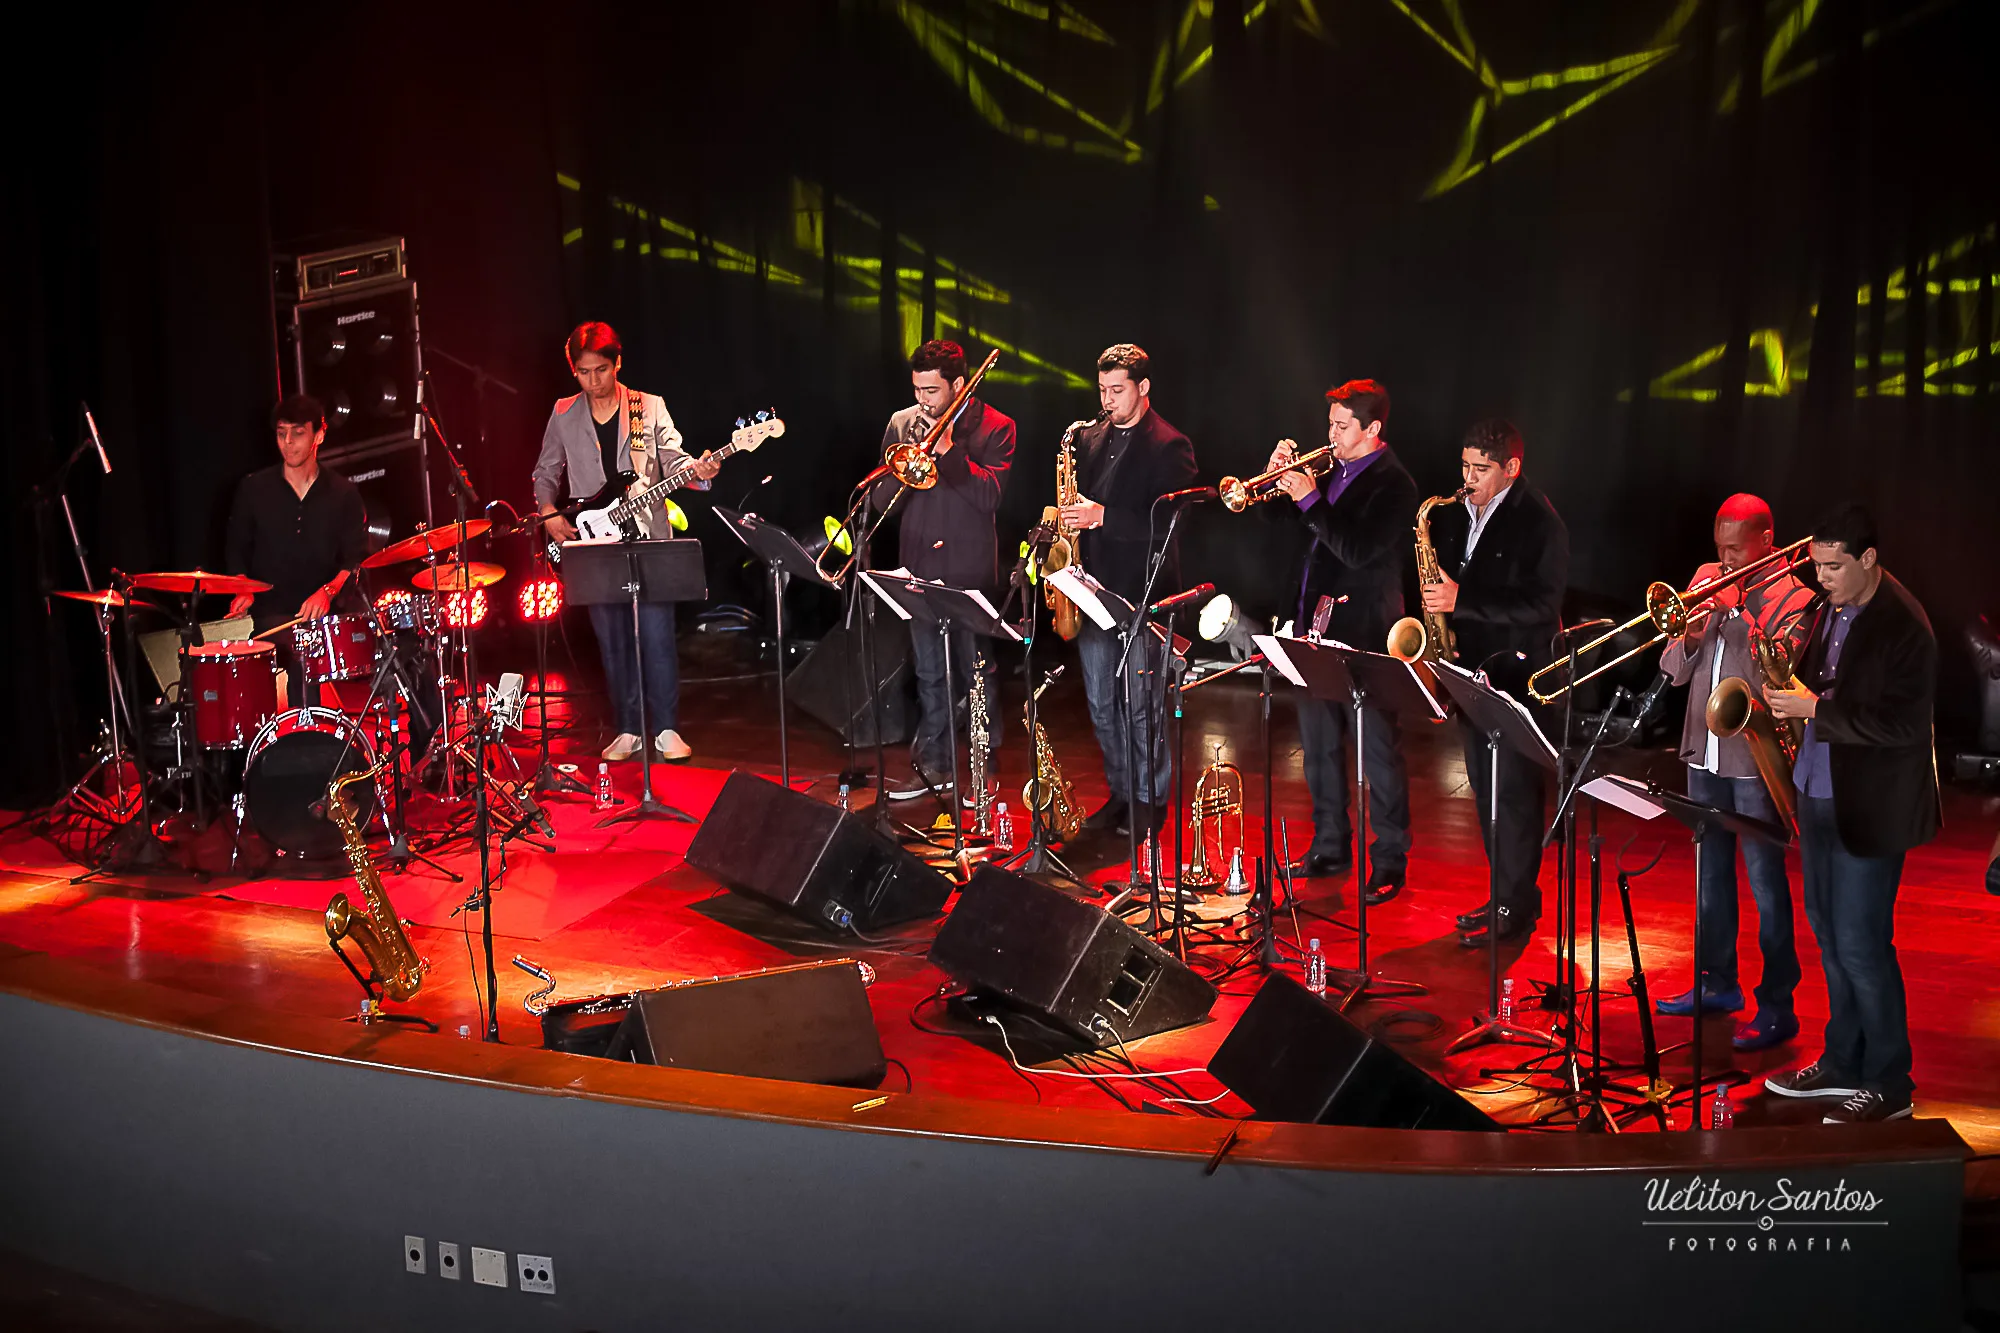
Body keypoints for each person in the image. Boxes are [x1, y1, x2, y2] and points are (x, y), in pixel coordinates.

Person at [1764, 504, 1939, 1124]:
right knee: (1830, 937)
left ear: (1868, 559)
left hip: (1870, 803)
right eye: (1816, 566)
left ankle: (1891, 1081)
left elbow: (1904, 727)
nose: (1821, 579)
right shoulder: (1830, 605)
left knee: (1863, 945)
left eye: (1834, 567)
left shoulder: (1904, 626)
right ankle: (1843, 1061)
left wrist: (1815, 710)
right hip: (1817, 787)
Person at [1653, 494, 1817, 1051]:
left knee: (1767, 886)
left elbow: (1782, 672)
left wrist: (1739, 607)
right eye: (1719, 547)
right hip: (1705, 752)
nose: (1723, 558)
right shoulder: (1706, 582)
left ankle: (1778, 1006)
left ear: (1765, 542)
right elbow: (1673, 673)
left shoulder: (1795, 596)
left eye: (1734, 548)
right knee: (1709, 881)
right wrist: (1692, 633)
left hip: (1754, 761)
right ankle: (1717, 983)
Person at [532, 322, 719, 763]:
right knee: (612, 637)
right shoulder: (562, 413)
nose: (593, 381)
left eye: (600, 370)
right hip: (594, 542)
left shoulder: (648, 407)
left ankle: (667, 727)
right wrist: (549, 514)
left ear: (618, 363)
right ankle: (628, 728)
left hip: (648, 535)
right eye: (583, 372)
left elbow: (673, 459)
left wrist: (699, 469)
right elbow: (545, 473)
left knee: (655, 633)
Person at [1264, 379, 1417, 902]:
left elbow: (1355, 550)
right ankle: (1330, 844)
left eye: (1341, 426)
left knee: (1377, 752)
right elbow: (1279, 522)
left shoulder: (1395, 485)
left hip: (1367, 633)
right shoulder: (1329, 469)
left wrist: (1309, 497)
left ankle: (1390, 859)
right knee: (1318, 749)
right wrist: (1279, 481)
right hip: (1312, 626)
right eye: (1329, 423)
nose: (1329, 435)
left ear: (1372, 429)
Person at [1422, 419, 1568, 947]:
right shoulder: (1461, 513)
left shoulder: (1538, 523)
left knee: (1514, 796)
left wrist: (1464, 603)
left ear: (1512, 468)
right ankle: (1502, 893)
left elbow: (1541, 608)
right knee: (1486, 792)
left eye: (1481, 470)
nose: (1469, 480)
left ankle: (1518, 904)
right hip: (1470, 668)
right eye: (1464, 467)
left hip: (1517, 675)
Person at [1061, 343, 1198, 838]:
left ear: (1143, 388)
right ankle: (1121, 793)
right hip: (1093, 591)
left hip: (1143, 594)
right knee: (1101, 704)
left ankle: (1150, 800)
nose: (1108, 400)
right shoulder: (1088, 437)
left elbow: (1167, 525)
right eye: (1102, 390)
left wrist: (1102, 517)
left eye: (1117, 390)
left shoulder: (1169, 445)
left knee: (1142, 706)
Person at [871, 339, 1015, 802]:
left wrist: (950, 451)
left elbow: (990, 496)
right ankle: (935, 764)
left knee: (976, 671)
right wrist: (899, 471)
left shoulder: (997, 426)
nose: (922, 401)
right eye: (917, 390)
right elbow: (882, 505)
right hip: (918, 563)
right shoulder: (901, 423)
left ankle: (982, 764)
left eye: (931, 391)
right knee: (929, 672)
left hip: (967, 568)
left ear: (958, 384)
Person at [225, 394, 370, 709]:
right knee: (302, 652)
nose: (287, 443)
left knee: (403, 647)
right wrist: (243, 588)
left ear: (319, 434)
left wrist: (328, 592)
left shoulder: (344, 493)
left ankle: (424, 745)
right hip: (274, 613)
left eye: (298, 433)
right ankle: (307, 746)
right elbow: (236, 550)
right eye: (281, 433)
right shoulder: (253, 489)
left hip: (332, 611)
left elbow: (353, 558)